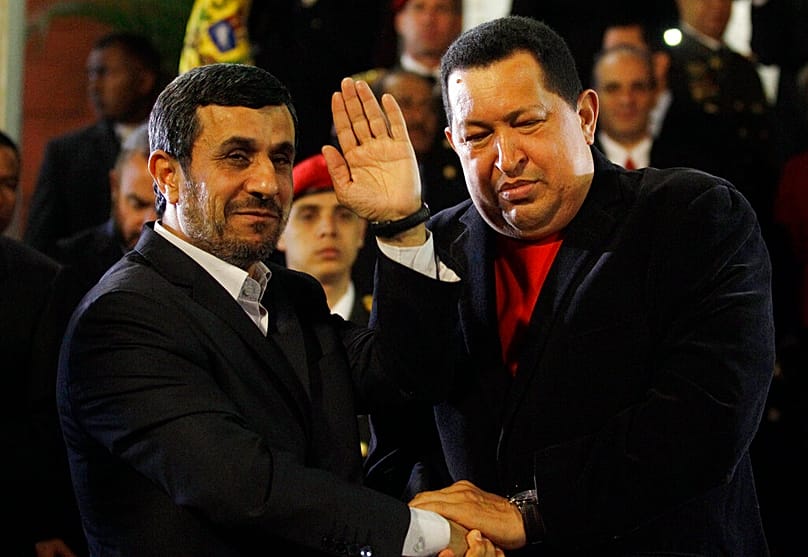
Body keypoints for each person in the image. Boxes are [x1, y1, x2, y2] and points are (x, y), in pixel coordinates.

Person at [329, 16, 774, 554]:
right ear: (451, 142)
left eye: (528, 122)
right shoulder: (430, 243)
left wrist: (531, 511)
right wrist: (446, 532)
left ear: (584, 116)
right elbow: (399, 441)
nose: (507, 157)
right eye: (478, 134)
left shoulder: (691, 215)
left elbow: (707, 421)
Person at [56, 62, 495, 557]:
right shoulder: (121, 319)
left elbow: (411, 378)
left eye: (280, 158)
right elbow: (245, 488)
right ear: (167, 175)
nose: (267, 182)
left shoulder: (289, 295)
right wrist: (427, 534)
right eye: (237, 156)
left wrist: (402, 225)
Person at [1, 130, 84, 557]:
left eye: (9, 183)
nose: (0, 195)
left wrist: (45, 522)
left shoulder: (41, 280)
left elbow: (45, 414)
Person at [24, 32, 161, 256]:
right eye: (90, 75)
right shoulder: (66, 154)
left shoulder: (179, 145)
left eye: (104, 73)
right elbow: (38, 246)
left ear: (144, 80)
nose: (94, 86)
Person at [53, 123, 156, 297]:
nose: (149, 221)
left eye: (162, 208)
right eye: (138, 205)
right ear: (114, 186)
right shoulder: (66, 264)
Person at [278, 153, 371, 325]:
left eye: (344, 215)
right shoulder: (258, 326)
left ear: (361, 231)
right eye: (308, 216)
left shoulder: (385, 326)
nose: (328, 229)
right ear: (279, 232)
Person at [591, 45, 714, 171]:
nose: (626, 100)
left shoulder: (693, 164)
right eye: (613, 89)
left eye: (638, 87)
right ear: (593, 99)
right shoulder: (578, 167)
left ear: (655, 95)